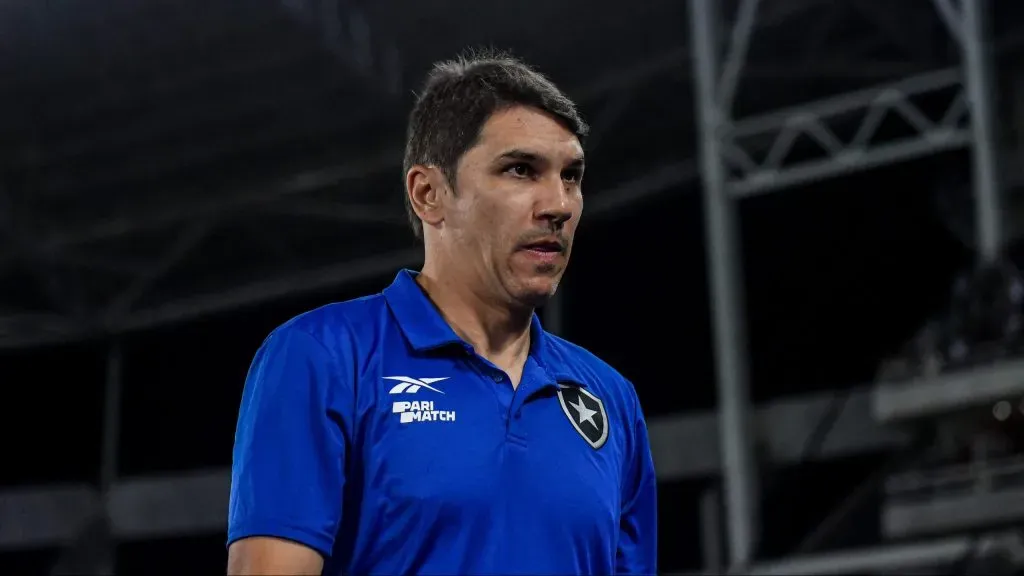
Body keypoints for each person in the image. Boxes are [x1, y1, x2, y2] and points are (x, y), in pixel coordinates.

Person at [226, 49, 657, 575]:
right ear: (428, 193)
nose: (559, 205)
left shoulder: (610, 398)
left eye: (571, 176)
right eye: (520, 170)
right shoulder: (322, 357)